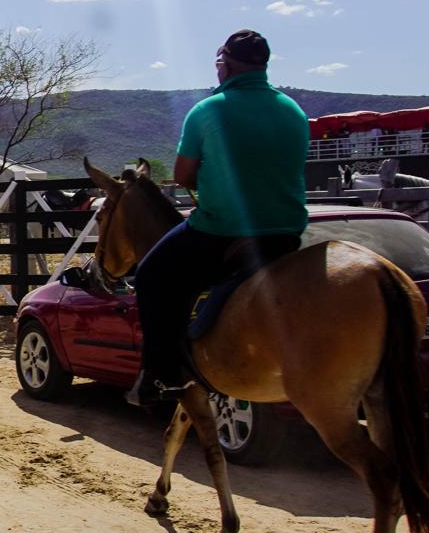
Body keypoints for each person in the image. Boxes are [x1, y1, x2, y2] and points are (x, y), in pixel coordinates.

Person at [128, 30, 308, 407]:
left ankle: (161, 376)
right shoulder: (293, 110)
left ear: (226, 65)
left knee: (150, 276)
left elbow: (183, 175)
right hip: (286, 232)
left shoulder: (207, 110)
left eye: (219, 63)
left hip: (222, 230)